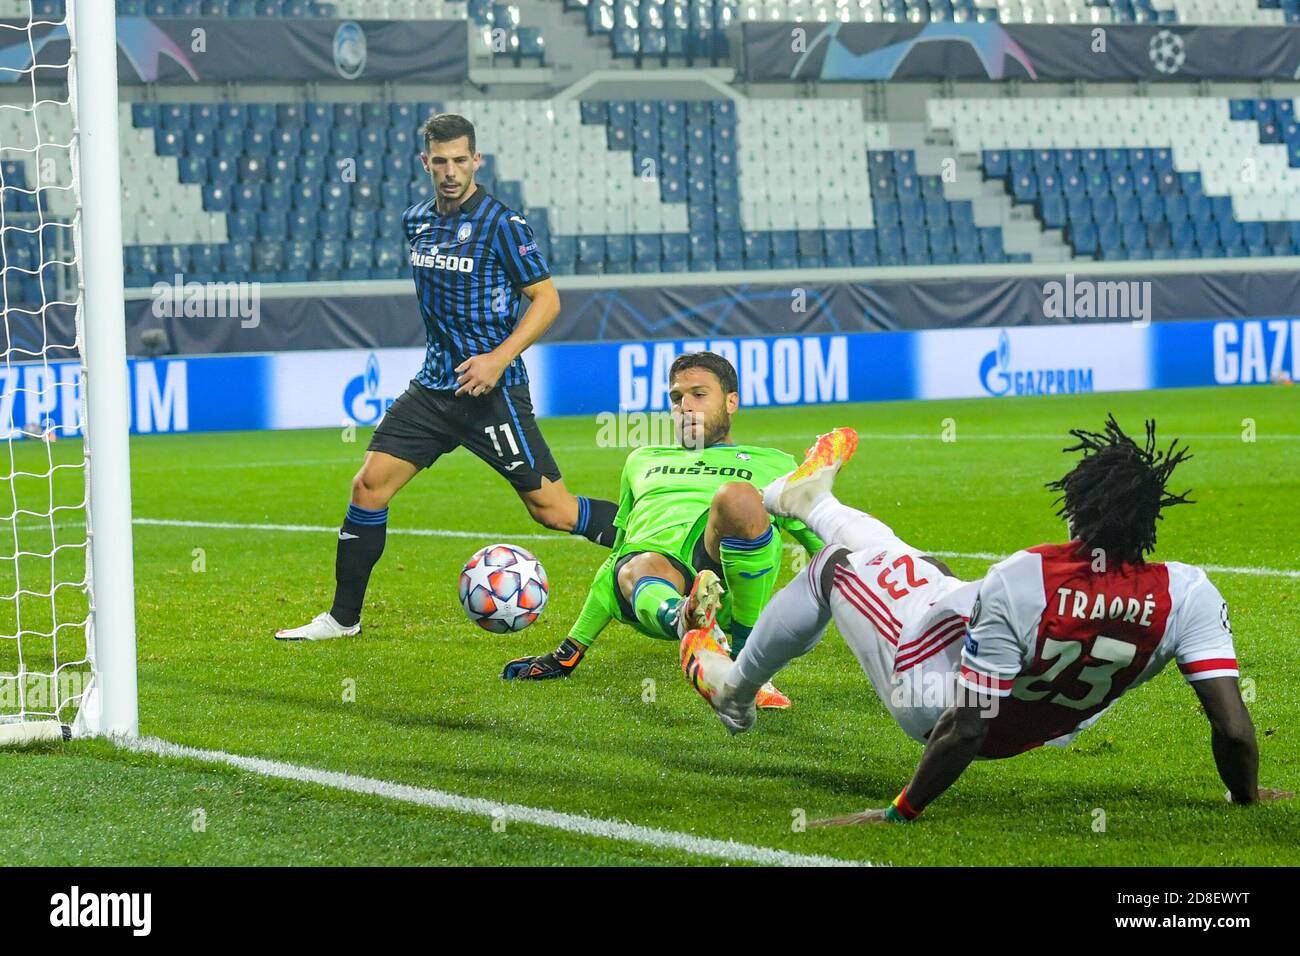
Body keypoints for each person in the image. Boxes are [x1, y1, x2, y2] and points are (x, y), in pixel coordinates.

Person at [683, 418, 1292, 821]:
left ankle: (735, 692)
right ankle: (814, 501)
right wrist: (1245, 796)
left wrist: (901, 810)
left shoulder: (1027, 575)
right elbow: (1235, 728)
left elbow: (967, 727)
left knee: (835, 567)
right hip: (1039, 725)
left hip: (928, 692)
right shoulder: (1189, 594)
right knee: (914, 567)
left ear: (1076, 508)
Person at [277, 113, 617, 641]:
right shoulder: (415, 220)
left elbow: (547, 300)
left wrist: (498, 359)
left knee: (552, 510)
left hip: (492, 392)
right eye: (441, 161)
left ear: (476, 160)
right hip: (434, 389)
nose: (452, 171)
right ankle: (343, 619)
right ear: (426, 163)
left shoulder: (503, 224)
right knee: (367, 487)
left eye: (461, 160)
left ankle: (665, 548)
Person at [502, 350, 825, 711]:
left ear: (731, 401)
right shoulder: (642, 460)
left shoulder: (775, 463)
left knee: (737, 498)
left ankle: (747, 663)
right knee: (640, 561)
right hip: (651, 584)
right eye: (676, 398)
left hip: (722, 572)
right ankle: (684, 618)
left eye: (699, 395)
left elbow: (821, 545)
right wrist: (569, 650)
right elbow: (618, 555)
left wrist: (868, 604)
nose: (685, 406)